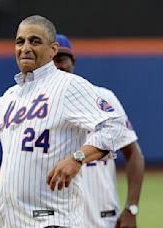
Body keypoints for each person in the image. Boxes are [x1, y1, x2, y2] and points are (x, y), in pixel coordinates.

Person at [0, 15, 127, 228]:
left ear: (53, 50)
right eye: (20, 41)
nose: (25, 47)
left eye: (34, 41)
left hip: (51, 220)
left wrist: (77, 158)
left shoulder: (68, 86)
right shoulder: (12, 96)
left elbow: (114, 125)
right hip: (9, 220)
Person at [54, 34, 145, 228]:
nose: (57, 66)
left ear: (73, 62)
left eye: (61, 59)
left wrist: (131, 208)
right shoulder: (37, 107)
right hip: (58, 218)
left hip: (103, 218)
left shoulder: (104, 98)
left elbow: (134, 154)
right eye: (50, 61)